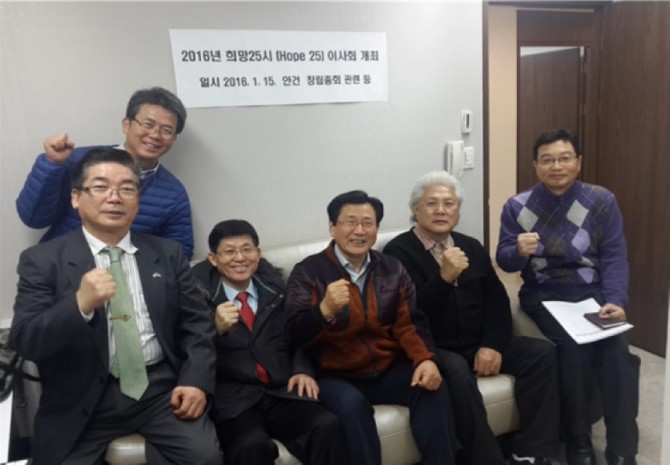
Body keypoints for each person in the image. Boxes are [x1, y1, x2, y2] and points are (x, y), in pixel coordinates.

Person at [9, 148, 221, 465]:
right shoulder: (42, 260)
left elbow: (197, 326)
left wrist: (195, 381)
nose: (114, 197)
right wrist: (79, 305)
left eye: (127, 189)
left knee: (205, 457)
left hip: (158, 391)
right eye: (100, 187)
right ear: (76, 198)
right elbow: (26, 340)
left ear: (138, 200)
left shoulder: (168, 253)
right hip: (80, 397)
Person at [384, 170, 559, 465]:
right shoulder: (398, 252)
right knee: (456, 372)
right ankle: (486, 459)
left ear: (458, 210)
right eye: (431, 203)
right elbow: (407, 314)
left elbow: (497, 302)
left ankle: (532, 451)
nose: (441, 210)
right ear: (415, 209)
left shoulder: (471, 245)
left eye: (449, 203)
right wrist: (443, 278)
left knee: (542, 354)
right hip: (436, 347)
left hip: (478, 340)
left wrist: (492, 344)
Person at [496, 129, 639, 465]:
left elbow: (614, 255)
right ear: (535, 165)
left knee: (618, 354)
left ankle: (623, 446)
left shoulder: (601, 200)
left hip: (592, 292)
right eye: (547, 160)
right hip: (545, 294)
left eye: (564, 158)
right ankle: (578, 440)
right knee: (573, 353)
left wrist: (615, 299)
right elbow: (504, 259)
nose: (556, 166)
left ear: (578, 162)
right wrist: (517, 251)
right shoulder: (517, 206)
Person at [284, 190, 458, 465]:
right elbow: (293, 333)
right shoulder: (308, 271)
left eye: (368, 223)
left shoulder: (392, 268)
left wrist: (425, 359)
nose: (359, 230)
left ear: (377, 228)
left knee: (431, 387)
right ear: (332, 227)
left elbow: (411, 322)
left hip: (386, 368)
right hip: (334, 374)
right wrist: (324, 310)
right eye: (350, 222)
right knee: (353, 407)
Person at [191, 219, 348, 465]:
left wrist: (302, 369)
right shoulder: (198, 297)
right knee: (251, 444)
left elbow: (298, 332)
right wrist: (215, 329)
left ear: (258, 253)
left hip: (281, 391)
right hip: (235, 400)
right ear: (213, 259)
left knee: (325, 425)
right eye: (229, 252)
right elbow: (187, 351)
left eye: (247, 249)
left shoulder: (278, 287)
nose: (240, 258)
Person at [16, 86, 195, 258]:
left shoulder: (174, 193)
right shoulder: (80, 161)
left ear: (173, 138)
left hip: (124, 275)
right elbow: (33, 219)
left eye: (166, 130)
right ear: (126, 125)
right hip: (61, 269)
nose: (155, 135)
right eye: (148, 124)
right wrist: (51, 164)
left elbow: (179, 253)